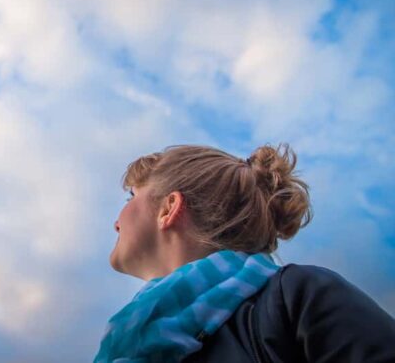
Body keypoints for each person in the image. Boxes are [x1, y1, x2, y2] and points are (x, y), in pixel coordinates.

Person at [94, 144, 395, 362]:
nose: (116, 222)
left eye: (131, 197)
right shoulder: (129, 341)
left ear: (168, 208)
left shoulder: (294, 298)